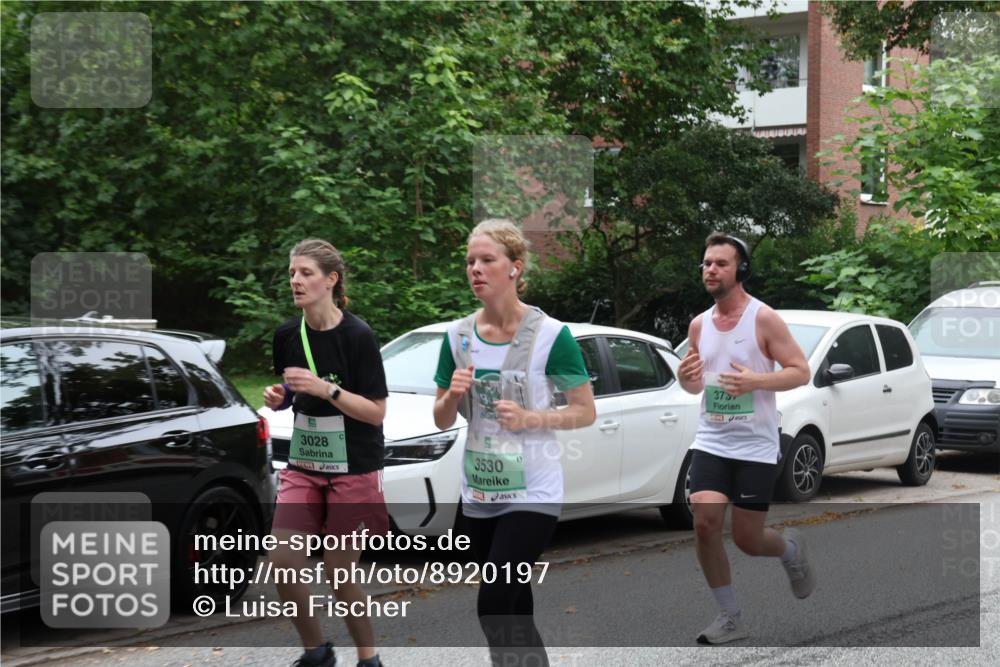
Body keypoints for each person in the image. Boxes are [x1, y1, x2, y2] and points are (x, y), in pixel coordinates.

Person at [432, 219, 596, 667]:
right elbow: (441, 416)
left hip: (534, 491)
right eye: (470, 261)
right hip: (481, 489)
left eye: (487, 260)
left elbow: (585, 410)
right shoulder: (457, 336)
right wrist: (453, 395)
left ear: (515, 268)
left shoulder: (550, 335)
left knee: (495, 600)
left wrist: (531, 417)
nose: (476, 269)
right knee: (513, 599)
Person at [678, 232, 816, 645]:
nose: (711, 270)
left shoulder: (764, 318)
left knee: (748, 539)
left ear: (741, 270)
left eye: (720, 263)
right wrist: (687, 381)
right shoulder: (699, 325)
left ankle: (790, 551)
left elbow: (800, 371)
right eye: (706, 263)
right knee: (704, 524)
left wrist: (757, 380)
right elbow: (694, 385)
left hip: (755, 443)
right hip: (712, 439)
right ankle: (729, 616)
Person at [264, 239, 389, 667]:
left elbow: (375, 413)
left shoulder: (358, 336)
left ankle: (368, 657)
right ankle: (317, 651)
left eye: (306, 273)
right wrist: (278, 397)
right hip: (305, 462)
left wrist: (327, 389)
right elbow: (291, 395)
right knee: (282, 561)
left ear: (331, 280)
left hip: (354, 465)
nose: (296, 281)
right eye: (292, 274)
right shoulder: (287, 334)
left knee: (339, 573)